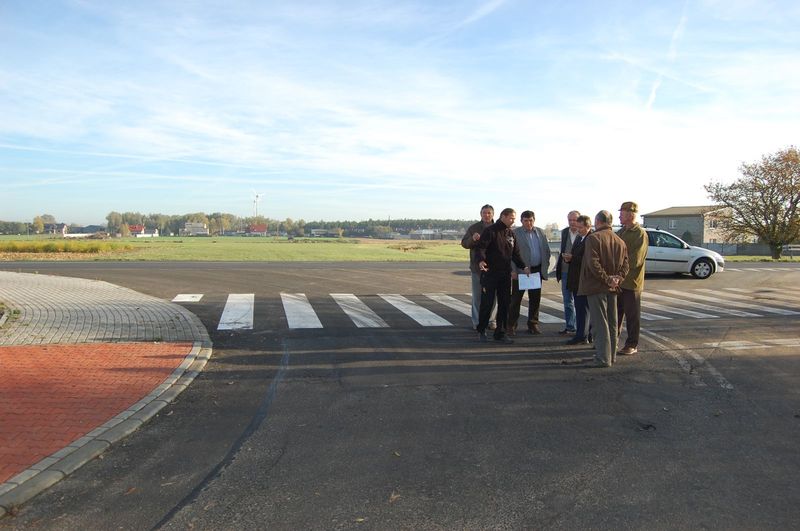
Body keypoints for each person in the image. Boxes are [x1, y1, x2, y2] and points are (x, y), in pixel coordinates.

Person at [578, 210, 629, 368]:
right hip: (612, 287)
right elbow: (626, 265)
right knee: (612, 323)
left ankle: (602, 358)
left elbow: (593, 264)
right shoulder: (620, 241)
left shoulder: (593, 239)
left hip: (596, 286)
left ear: (598, 221)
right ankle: (610, 355)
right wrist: (617, 279)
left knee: (600, 324)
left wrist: (607, 279)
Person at [474, 208, 530, 343]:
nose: (513, 221)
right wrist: (481, 260)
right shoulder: (490, 231)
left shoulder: (511, 234)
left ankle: (501, 332)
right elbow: (481, 247)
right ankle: (481, 330)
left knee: (505, 303)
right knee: (487, 303)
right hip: (490, 274)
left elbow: (515, 254)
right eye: (511, 218)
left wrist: (524, 266)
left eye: (514, 218)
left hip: (505, 274)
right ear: (503, 217)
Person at [508, 210, 551, 335]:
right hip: (520, 271)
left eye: (531, 220)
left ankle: (533, 324)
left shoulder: (541, 232)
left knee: (535, 299)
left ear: (534, 220)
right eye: (525, 220)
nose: (528, 223)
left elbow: (546, 251)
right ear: (521, 221)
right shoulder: (515, 233)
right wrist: (513, 270)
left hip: (536, 271)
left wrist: (545, 267)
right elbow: (510, 254)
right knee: (516, 299)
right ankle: (511, 325)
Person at [616, 201, 648, 356]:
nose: (619, 216)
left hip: (631, 282)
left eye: (622, 213)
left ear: (631, 214)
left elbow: (636, 260)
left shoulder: (640, 234)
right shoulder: (621, 232)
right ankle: (612, 341)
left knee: (632, 315)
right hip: (618, 281)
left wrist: (620, 272)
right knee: (616, 314)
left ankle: (632, 344)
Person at [461, 204, 496, 330]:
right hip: (477, 268)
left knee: (493, 296)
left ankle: (491, 320)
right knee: (477, 297)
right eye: (484, 213)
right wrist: (472, 239)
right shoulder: (474, 228)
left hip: (494, 268)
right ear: (480, 214)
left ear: (493, 214)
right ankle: (477, 322)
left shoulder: (498, 227)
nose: (486, 215)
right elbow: (464, 243)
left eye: (489, 213)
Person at [565, 215, 592, 345]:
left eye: (581, 227)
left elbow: (588, 260)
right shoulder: (579, 238)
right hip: (576, 279)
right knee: (580, 308)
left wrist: (572, 258)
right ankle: (583, 333)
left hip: (584, 280)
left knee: (583, 309)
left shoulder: (590, 239)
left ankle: (583, 335)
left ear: (588, 227)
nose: (578, 229)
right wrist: (569, 258)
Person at [555, 211, 581, 335]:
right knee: (567, 301)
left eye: (574, 220)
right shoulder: (565, 232)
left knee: (579, 301)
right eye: (570, 220)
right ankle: (570, 326)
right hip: (565, 270)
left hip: (578, 272)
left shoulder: (584, 233)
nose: (572, 223)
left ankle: (581, 328)